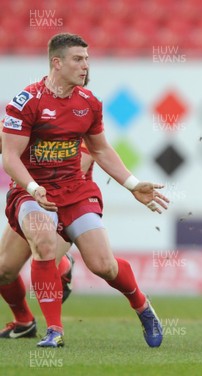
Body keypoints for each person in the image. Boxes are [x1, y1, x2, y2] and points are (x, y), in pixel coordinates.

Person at [2, 32, 168, 348]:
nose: (85, 66)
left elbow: (102, 150)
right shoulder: (27, 102)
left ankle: (143, 307)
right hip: (31, 192)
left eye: (87, 59)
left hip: (75, 191)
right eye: (78, 59)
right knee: (32, 251)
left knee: (102, 265)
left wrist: (133, 185)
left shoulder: (89, 103)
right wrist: (34, 188)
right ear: (57, 62)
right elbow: (10, 157)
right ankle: (51, 329)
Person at [0, 71, 95, 340]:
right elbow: (7, 142)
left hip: (68, 204)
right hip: (32, 199)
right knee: (3, 271)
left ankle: (63, 267)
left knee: (46, 259)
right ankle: (24, 322)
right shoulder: (33, 108)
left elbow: (80, 165)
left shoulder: (85, 114)